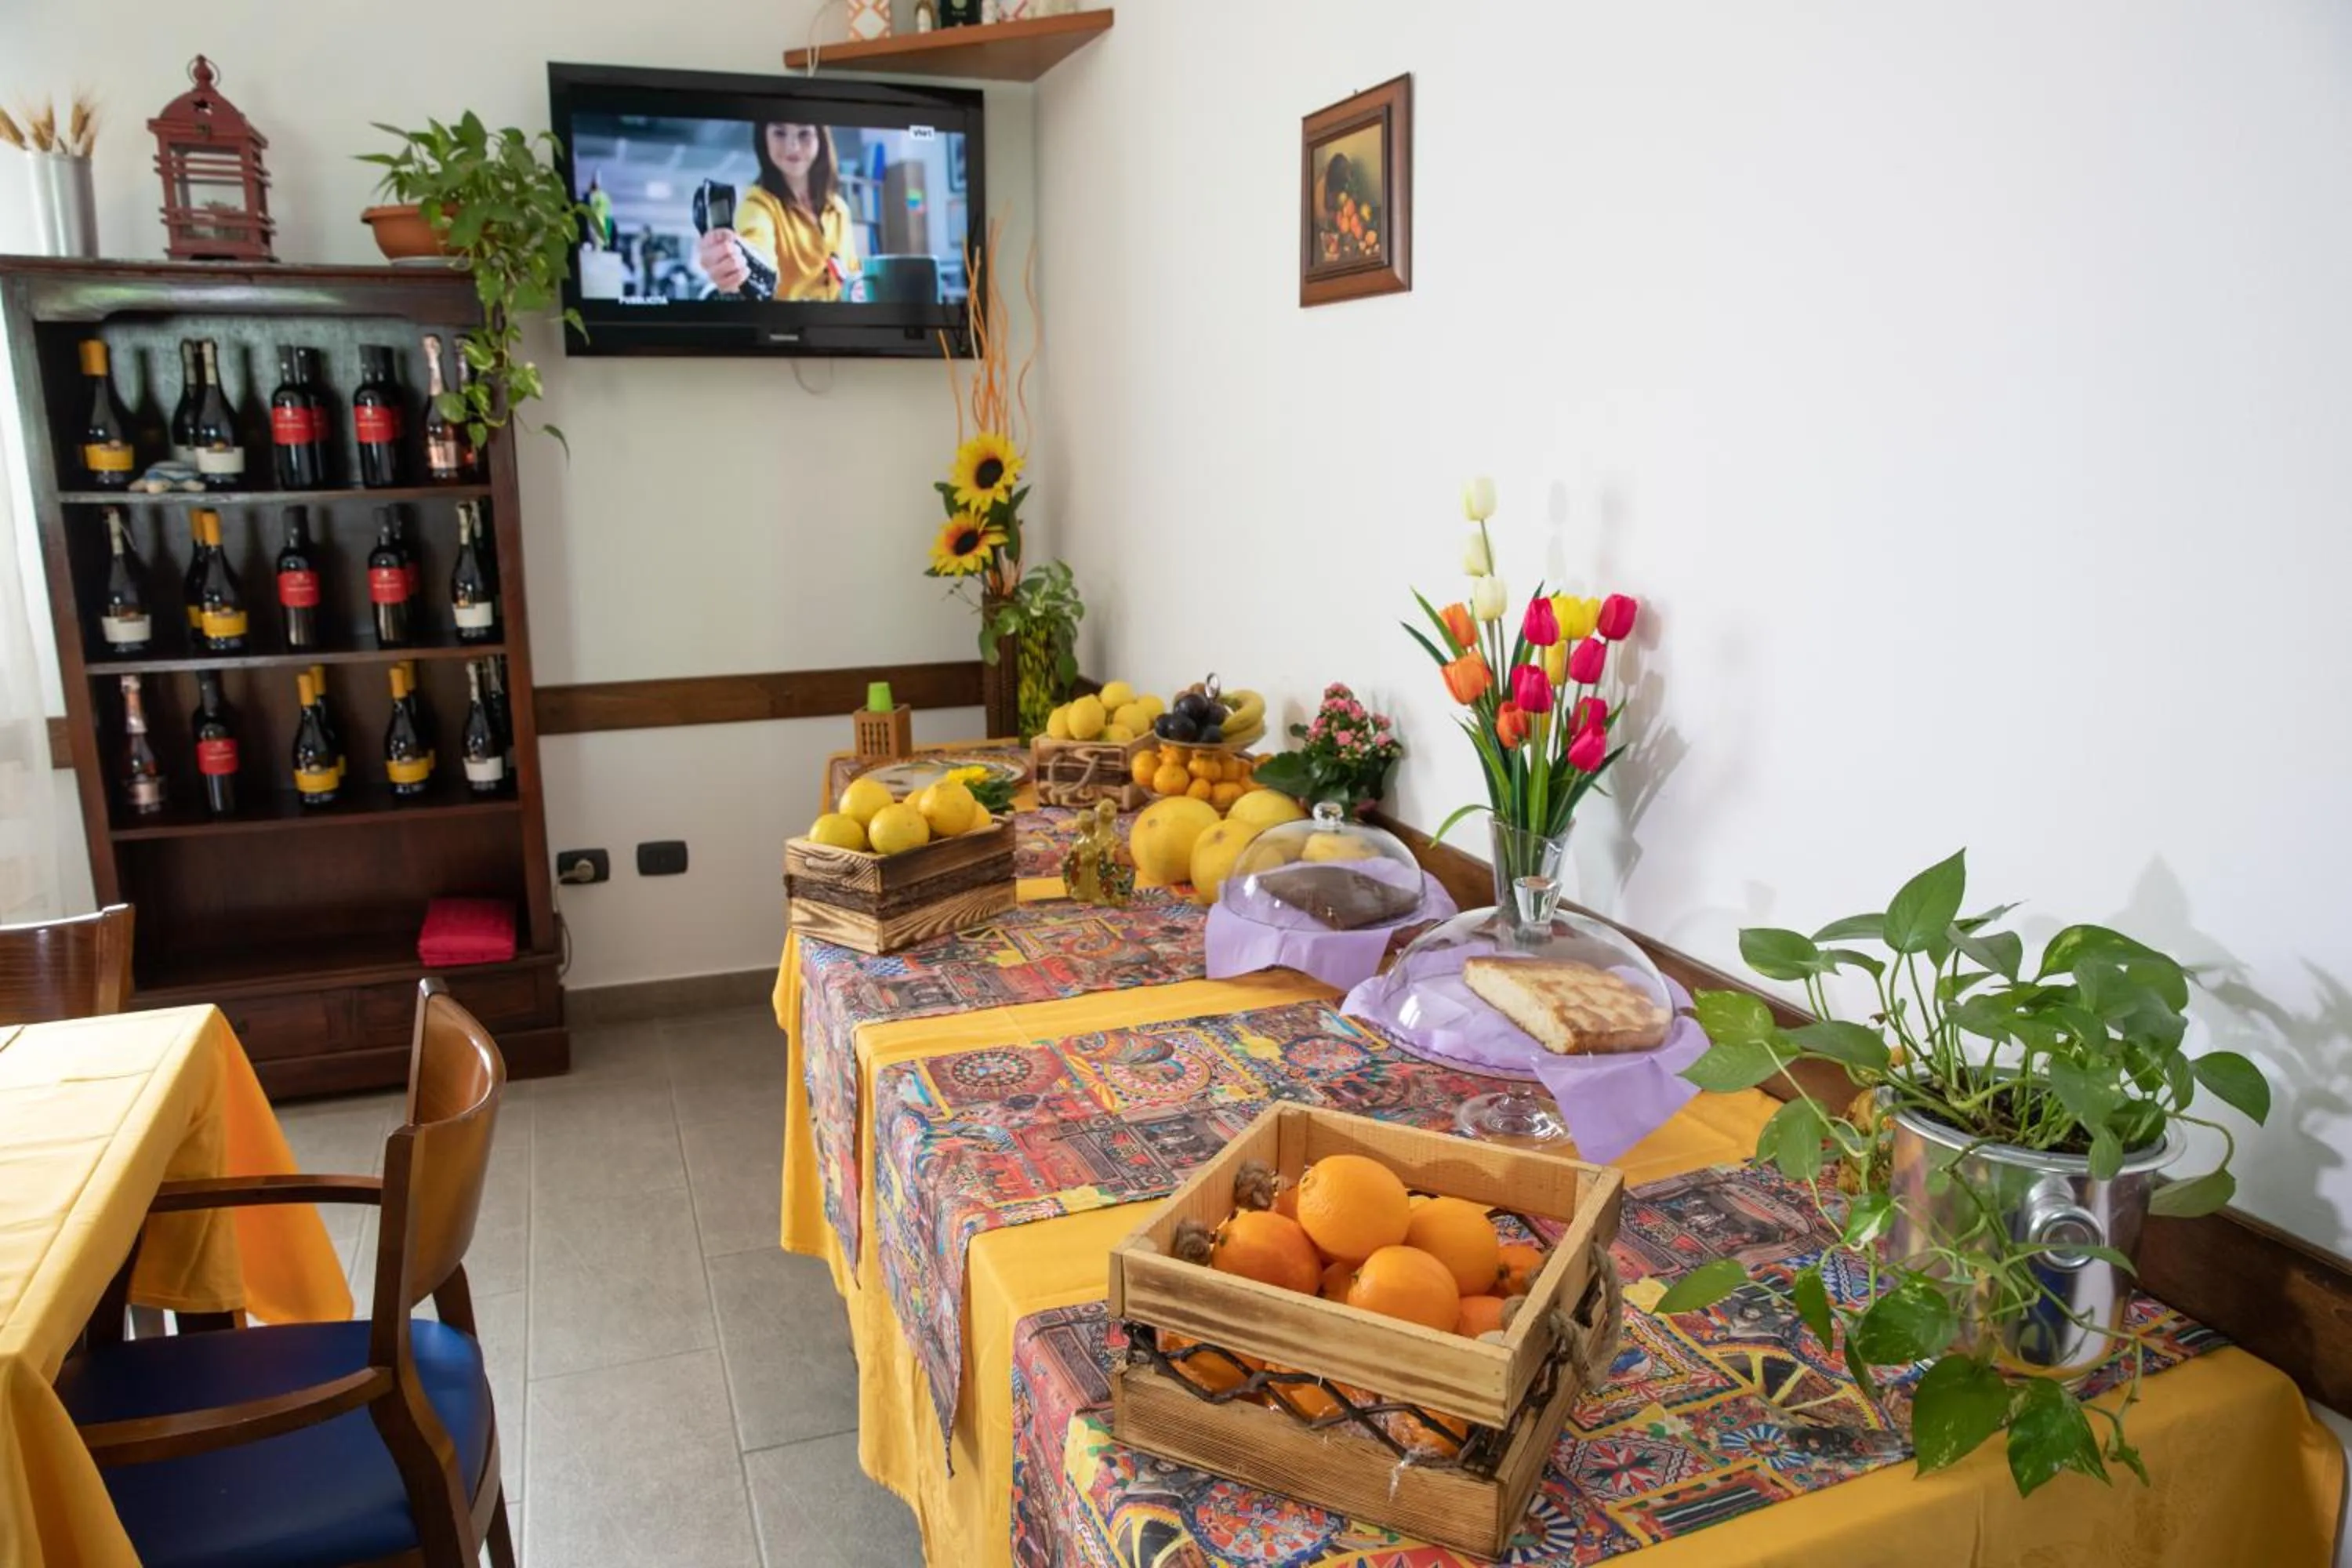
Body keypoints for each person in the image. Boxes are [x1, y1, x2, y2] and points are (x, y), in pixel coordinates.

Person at [695, 122, 859, 301]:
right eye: (780, 133)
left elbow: (851, 274)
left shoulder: (839, 208)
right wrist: (738, 260)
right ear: (764, 139)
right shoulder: (757, 203)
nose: (793, 146)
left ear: (821, 138)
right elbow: (758, 248)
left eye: (804, 134)